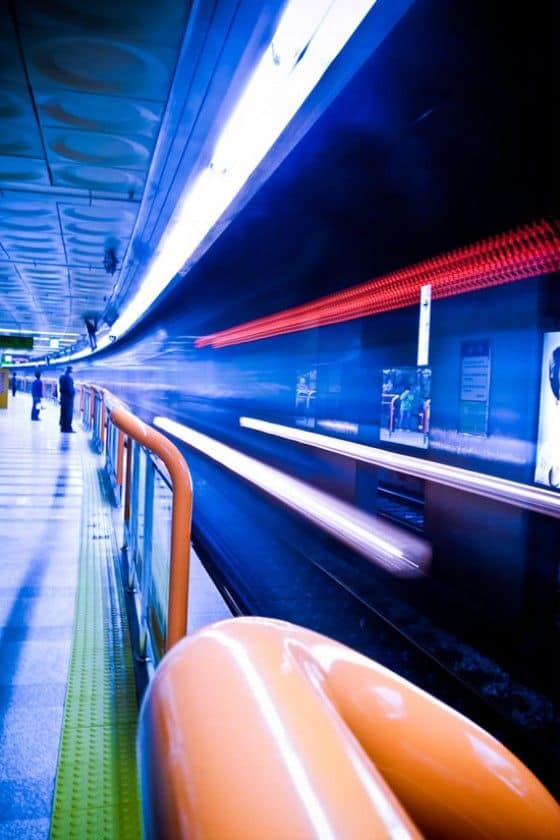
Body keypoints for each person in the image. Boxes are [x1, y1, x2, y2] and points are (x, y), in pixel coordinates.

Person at [59, 365, 75, 432]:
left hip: (62, 397)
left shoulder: (61, 377)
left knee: (63, 412)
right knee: (68, 414)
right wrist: (73, 394)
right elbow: (70, 390)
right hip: (68, 399)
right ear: (70, 371)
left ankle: (63, 427)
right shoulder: (69, 378)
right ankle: (68, 428)